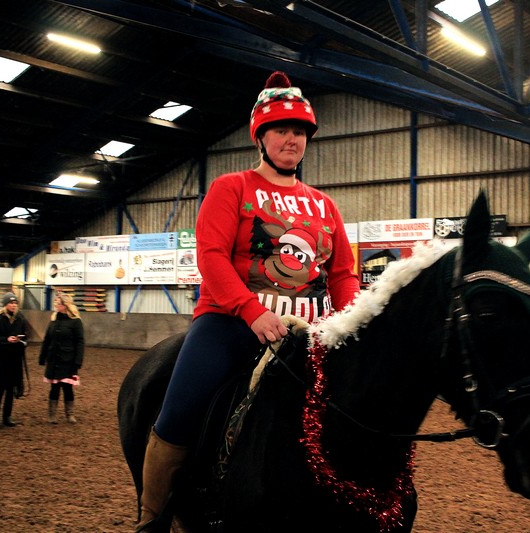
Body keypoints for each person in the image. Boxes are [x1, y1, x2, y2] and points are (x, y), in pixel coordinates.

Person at [135, 71, 361, 531]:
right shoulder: (231, 187)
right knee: (178, 414)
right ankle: (152, 519)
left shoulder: (325, 205)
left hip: (311, 332)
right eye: (281, 130)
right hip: (230, 325)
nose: (292, 139)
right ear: (260, 137)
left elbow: (342, 274)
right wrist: (251, 311)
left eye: (300, 131)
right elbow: (212, 257)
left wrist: (349, 323)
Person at [0, 292, 29, 428]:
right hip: (1, 358)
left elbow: (26, 336)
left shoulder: (20, 319)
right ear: (5, 305)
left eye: (15, 303)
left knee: (11, 388)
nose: (14, 305)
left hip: (15, 358)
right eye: (11, 303)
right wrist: (6, 340)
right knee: (1, 387)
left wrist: (21, 341)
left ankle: (7, 417)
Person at [39, 292, 84, 424]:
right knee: (54, 387)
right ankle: (51, 415)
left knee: (67, 387)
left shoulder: (75, 322)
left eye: (58, 303)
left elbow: (80, 342)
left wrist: (78, 361)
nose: (56, 305)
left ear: (65, 305)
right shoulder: (53, 321)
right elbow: (47, 340)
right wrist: (42, 356)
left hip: (68, 360)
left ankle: (70, 414)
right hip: (54, 359)